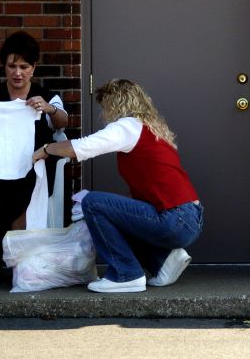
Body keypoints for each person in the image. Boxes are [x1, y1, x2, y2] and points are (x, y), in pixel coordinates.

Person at [32, 78, 203, 293]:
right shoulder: (152, 129)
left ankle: (126, 274)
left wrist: (46, 149)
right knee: (113, 214)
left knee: (91, 202)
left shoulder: (128, 126)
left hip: (174, 219)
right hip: (189, 218)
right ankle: (163, 261)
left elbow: (82, 147)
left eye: (106, 106)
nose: (105, 113)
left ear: (117, 103)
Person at [0, 31, 68, 286]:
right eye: (12, 66)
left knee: (25, 191)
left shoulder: (44, 96)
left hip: (30, 167)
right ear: (4, 67)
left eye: (24, 67)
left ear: (33, 68)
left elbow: (63, 121)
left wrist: (49, 108)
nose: (17, 73)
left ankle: (21, 264)